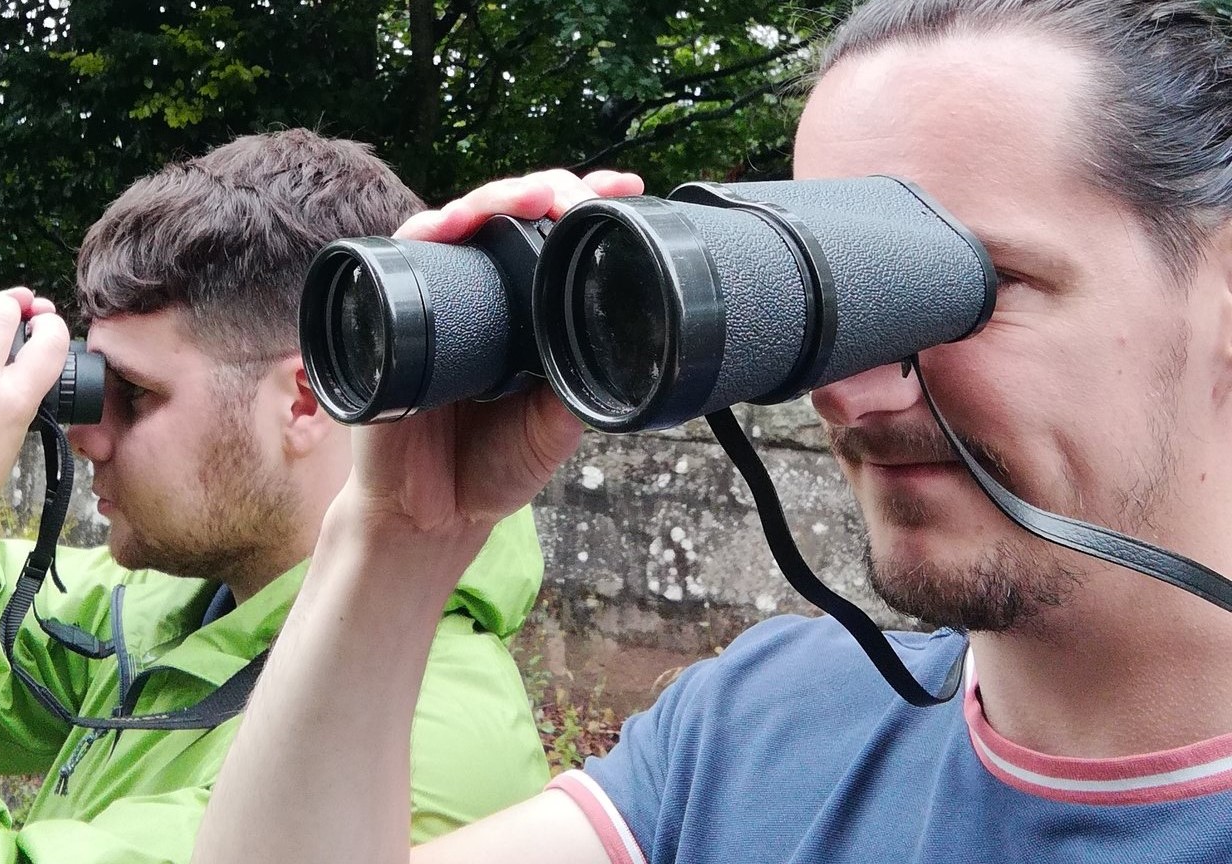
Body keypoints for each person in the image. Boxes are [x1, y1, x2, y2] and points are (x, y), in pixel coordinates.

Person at [186, 2, 1232, 862]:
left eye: (965, 286)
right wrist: (395, 539)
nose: (853, 395)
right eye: (843, 293)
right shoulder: (763, 727)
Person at [0, 129, 550, 863]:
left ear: (306, 401)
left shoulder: (415, 741)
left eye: (137, 394)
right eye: (92, 383)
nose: (87, 434)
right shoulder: (187, 604)